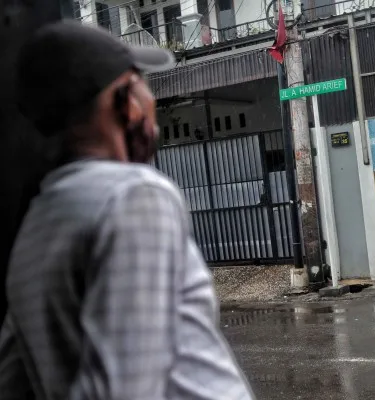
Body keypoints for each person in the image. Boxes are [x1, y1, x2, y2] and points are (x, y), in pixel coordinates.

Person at [0, 21, 254, 399]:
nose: (151, 103)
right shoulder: (133, 196)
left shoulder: (33, 226)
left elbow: (12, 380)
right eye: (141, 83)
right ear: (121, 100)